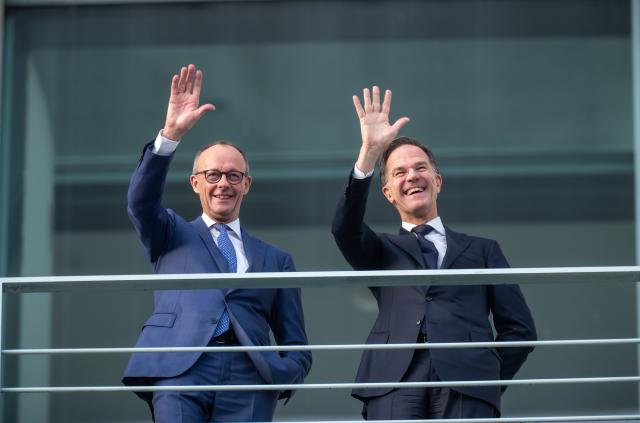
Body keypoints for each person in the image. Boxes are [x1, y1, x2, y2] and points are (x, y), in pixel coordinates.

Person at [331, 86, 537, 419]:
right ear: (388, 193)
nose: (412, 176)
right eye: (399, 172)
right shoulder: (381, 249)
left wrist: (485, 377)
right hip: (394, 379)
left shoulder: (483, 250)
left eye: (420, 168)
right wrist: (369, 152)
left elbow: (520, 330)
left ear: (437, 181)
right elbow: (344, 228)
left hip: (467, 380)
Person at [122, 64, 312, 423]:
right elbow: (140, 202)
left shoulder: (276, 259)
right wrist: (170, 136)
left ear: (247, 184)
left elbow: (295, 337)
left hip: (250, 376)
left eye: (233, 175)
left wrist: (281, 375)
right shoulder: (170, 233)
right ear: (196, 183)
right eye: (213, 175)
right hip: (181, 367)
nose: (223, 183)